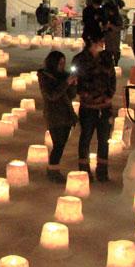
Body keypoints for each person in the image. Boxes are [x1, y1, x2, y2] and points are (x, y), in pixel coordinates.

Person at [71, 30, 116, 182]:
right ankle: (84, 170)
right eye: (100, 41)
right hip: (88, 106)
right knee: (86, 137)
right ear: (91, 42)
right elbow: (76, 82)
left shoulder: (107, 58)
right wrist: (87, 95)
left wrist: (109, 95)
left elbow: (112, 78)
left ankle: (102, 170)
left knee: (104, 139)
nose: (103, 43)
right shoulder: (80, 60)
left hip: (105, 106)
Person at [37, 51, 78, 183]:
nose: (62, 66)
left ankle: (53, 168)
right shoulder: (45, 77)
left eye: (64, 63)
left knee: (61, 144)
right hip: (54, 115)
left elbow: (71, 96)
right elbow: (51, 95)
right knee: (58, 144)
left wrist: (73, 85)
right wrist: (66, 83)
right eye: (60, 63)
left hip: (66, 114)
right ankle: (53, 170)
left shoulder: (64, 76)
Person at [102, 1, 123, 66]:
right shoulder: (107, 17)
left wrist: (111, 26)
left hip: (115, 36)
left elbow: (120, 27)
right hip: (108, 36)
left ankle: (116, 63)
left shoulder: (118, 18)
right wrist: (105, 27)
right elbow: (104, 27)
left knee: (115, 50)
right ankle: (109, 63)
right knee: (108, 51)